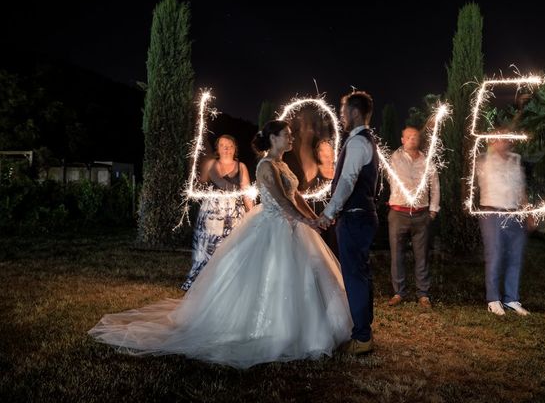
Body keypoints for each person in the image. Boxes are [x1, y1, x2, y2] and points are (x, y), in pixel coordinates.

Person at [89, 120, 352, 368]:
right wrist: (308, 222)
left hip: (293, 227)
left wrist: (314, 218)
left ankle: (307, 327)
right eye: (287, 134)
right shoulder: (265, 166)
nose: (291, 137)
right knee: (270, 277)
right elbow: (282, 202)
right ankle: (267, 329)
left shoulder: (283, 165)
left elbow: (295, 196)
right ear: (273, 138)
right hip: (271, 227)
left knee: (304, 275)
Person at [317, 91, 379, 355]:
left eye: (343, 111)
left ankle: (362, 337)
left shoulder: (356, 144)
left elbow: (346, 182)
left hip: (354, 215)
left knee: (354, 276)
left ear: (354, 112)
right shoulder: (365, 141)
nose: (341, 116)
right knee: (360, 274)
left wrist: (329, 213)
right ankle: (364, 331)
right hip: (361, 214)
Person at [181, 135, 253, 291]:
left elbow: (246, 193)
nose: (226, 148)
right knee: (209, 248)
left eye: (230, 145)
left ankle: (228, 284)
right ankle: (204, 283)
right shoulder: (211, 164)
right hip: (211, 215)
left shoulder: (241, 167)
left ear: (235, 149)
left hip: (233, 216)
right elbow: (199, 185)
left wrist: (253, 214)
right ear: (217, 148)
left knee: (231, 248)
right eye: (222, 145)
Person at [476, 134, 530, 316]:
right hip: (492, 213)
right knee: (495, 255)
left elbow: (521, 188)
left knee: (515, 256)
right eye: (501, 138)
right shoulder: (484, 160)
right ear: (493, 141)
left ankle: (511, 298)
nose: (506, 141)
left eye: (507, 138)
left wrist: (527, 211)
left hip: (514, 213)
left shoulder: (516, 160)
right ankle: (493, 299)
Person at [386, 126, 440, 310]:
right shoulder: (395, 159)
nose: (411, 139)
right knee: (397, 254)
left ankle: (423, 294)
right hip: (398, 213)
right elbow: (390, 178)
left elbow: (435, 184)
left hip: (421, 214)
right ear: (402, 140)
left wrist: (433, 210)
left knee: (421, 255)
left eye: (415, 136)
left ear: (420, 139)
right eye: (408, 136)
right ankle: (399, 292)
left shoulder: (427, 160)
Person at [308, 139, 338, 256]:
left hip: (336, 217)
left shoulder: (339, 170)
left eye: (329, 150)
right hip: (318, 215)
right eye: (322, 150)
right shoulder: (312, 170)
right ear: (317, 153)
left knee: (335, 249)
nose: (326, 154)